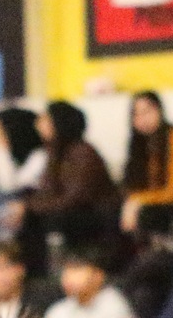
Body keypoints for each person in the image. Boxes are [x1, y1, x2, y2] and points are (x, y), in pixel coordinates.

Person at [14, 101, 121, 276]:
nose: (38, 125)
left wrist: (30, 207)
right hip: (73, 211)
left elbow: (74, 198)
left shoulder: (83, 153)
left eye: (45, 120)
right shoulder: (54, 153)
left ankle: (42, 272)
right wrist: (26, 205)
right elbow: (47, 191)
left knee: (41, 216)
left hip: (94, 216)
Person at [121, 91, 173, 238]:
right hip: (149, 202)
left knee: (147, 215)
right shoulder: (138, 145)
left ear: (160, 111)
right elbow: (131, 186)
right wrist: (133, 202)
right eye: (136, 114)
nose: (142, 119)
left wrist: (139, 201)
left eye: (146, 112)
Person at [0, 109, 49, 246]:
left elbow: (9, 185)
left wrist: (1, 149)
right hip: (0, 209)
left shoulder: (40, 155)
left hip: (28, 210)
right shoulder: (5, 154)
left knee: (3, 197)